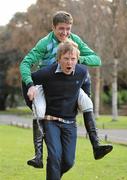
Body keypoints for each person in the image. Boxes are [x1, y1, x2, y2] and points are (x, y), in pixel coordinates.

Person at [20, 11, 102, 168]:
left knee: (87, 103)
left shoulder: (75, 39)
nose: (65, 33)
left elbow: (96, 60)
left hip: (69, 84)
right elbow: (25, 63)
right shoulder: (44, 43)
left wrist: (78, 58)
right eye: (61, 29)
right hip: (48, 84)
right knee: (40, 109)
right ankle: (38, 155)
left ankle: (96, 145)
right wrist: (30, 84)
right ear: (53, 27)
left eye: (68, 28)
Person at [31, 40, 113, 180]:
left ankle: (96, 145)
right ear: (58, 59)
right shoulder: (46, 73)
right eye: (66, 59)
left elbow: (86, 81)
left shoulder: (81, 71)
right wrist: (30, 98)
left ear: (77, 59)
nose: (70, 62)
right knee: (55, 157)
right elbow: (27, 80)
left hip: (70, 123)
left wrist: (86, 95)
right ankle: (38, 155)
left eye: (73, 59)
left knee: (68, 162)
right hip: (51, 122)